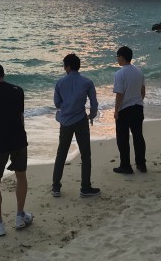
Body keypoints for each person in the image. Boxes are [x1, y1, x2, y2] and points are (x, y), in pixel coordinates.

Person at [0, 58, 33, 236]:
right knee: (21, 176)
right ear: (2, 74)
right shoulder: (18, 91)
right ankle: (20, 216)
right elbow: (20, 116)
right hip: (19, 139)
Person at [51, 53, 101, 198]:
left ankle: (56, 187)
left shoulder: (60, 83)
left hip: (65, 121)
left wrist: (66, 107)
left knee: (61, 153)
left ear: (67, 67)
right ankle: (85, 187)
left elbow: (57, 103)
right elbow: (94, 103)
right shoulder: (87, 82)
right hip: (81, 120)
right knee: (85, 154)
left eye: (64, 65)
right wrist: (92, 115)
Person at [112, 46, 147, 174]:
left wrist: (116, 110)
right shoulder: (139, 71)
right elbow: (143, 91)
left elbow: (119, 94)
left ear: (121, 57)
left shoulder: (119, 74)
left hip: (125, 109)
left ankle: (125, 166)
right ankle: (141, 164)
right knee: (138, 136)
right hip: (138, 107)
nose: (117, 59)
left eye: (117, 57)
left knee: (123, 138)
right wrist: (139, 101)